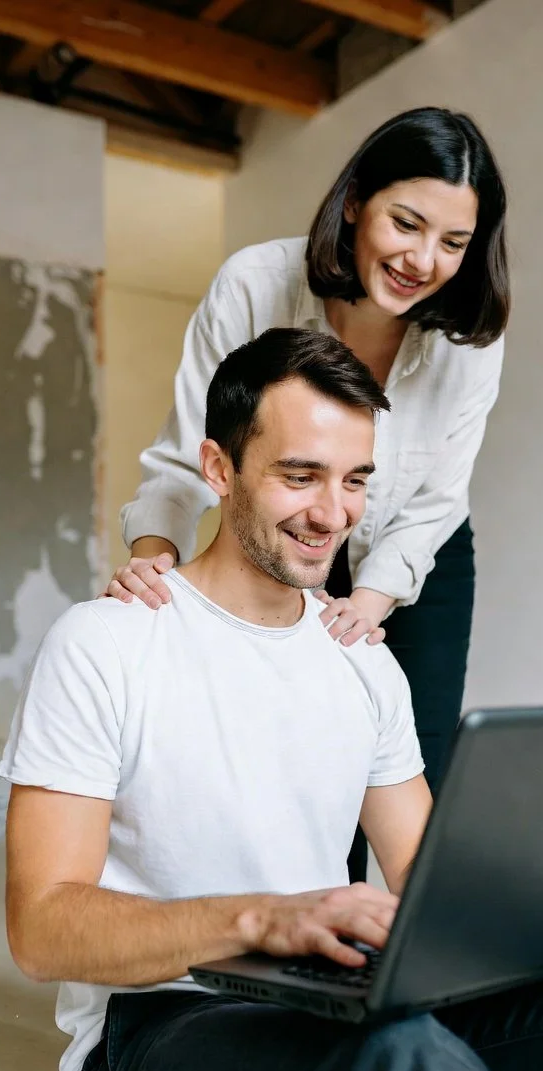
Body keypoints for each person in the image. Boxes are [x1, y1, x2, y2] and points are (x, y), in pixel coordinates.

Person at [2, 329, 543, 1071]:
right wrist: (265, 918)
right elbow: (41, 929)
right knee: (401, 1065)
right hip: (158, 1039)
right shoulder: (107, 643)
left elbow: (424, 888)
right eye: (300, 475)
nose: (332, 513)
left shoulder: (363, 663)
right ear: (220, 469)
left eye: (354, 480)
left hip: (336, 1012)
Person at [106, 107, 510, 885]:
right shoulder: (256, 283)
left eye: (454, 243)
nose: (423, 259)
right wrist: (151, 563)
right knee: (302, 753)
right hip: (283, 540)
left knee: (410, 762)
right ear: (356, 198)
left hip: (412, 551)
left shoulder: (470, 339)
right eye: (407, 223)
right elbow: (192, 449)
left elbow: (436, 499)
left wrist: (373, 604)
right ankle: (309, 938)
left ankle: (401, 966)